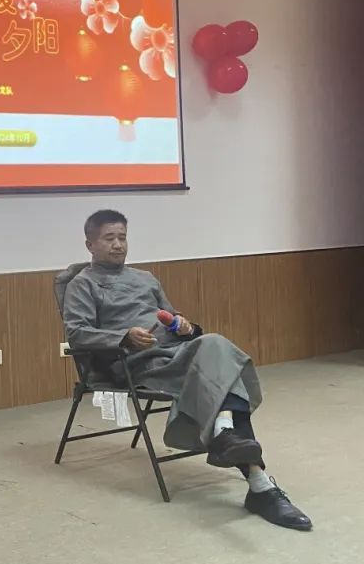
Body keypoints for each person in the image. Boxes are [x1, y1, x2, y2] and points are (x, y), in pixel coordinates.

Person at [62, 209, 311, 531]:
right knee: (222, 367)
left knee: (214, 346)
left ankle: (230, 440)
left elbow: (172, 318)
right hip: (138, 362)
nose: (118, 244)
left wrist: (183, 326)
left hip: (177, 351)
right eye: (109, 238)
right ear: (90, 244)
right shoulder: (82, 284)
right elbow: (77, 333)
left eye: (122, 237)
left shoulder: (146, 278)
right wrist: (123, 336)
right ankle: (255, 477)